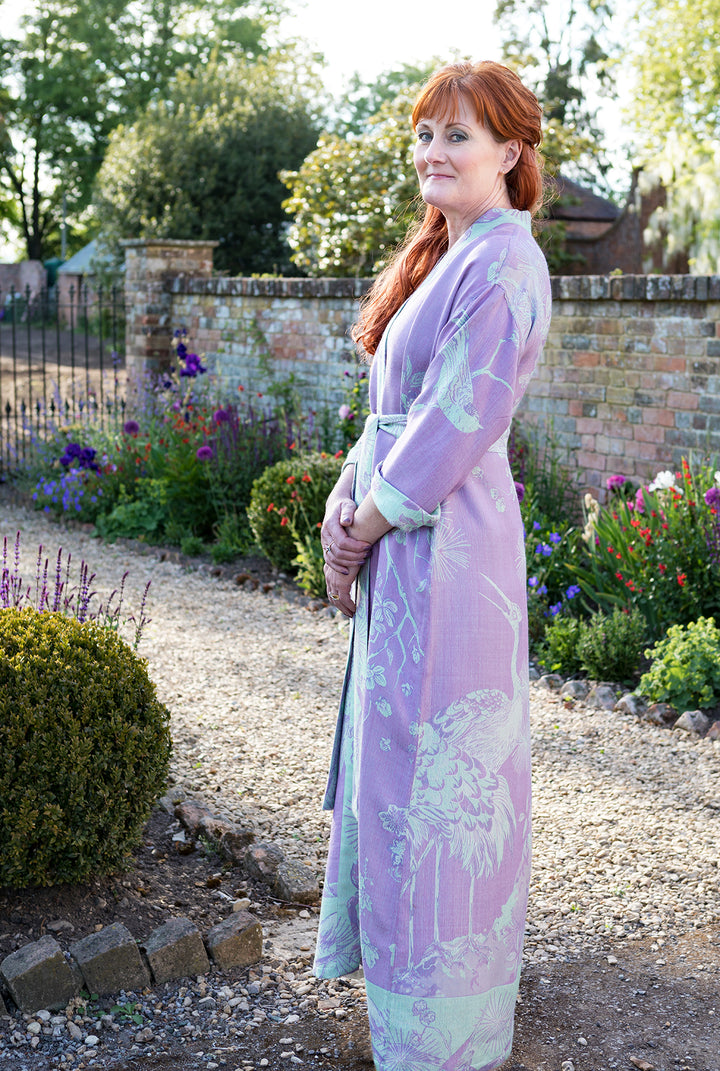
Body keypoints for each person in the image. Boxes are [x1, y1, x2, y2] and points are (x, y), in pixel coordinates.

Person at [315, 60, 552, 1071]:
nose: (434, 153)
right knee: (399, 775)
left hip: (448, 559)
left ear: (511, 151)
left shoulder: (505, 264)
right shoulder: (448, 255)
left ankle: (447, 1038)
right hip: (411, 555)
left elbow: (458, 421)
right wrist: (344, 500)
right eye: (424, 134)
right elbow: (392, 417)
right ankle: (408, 1019)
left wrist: (362, 526)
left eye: (459, 135)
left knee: (441, 781)